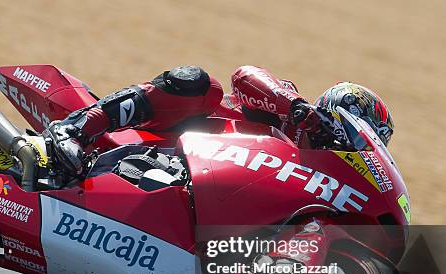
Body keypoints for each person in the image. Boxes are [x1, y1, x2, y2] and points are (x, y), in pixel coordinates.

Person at [45, 65, 394, 176]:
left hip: (193, 184)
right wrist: (296, 107)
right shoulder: (289, 108)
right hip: (168, 138)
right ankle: (75, 128)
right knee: (198, 82)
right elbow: (245, 75)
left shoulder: (315, 174)